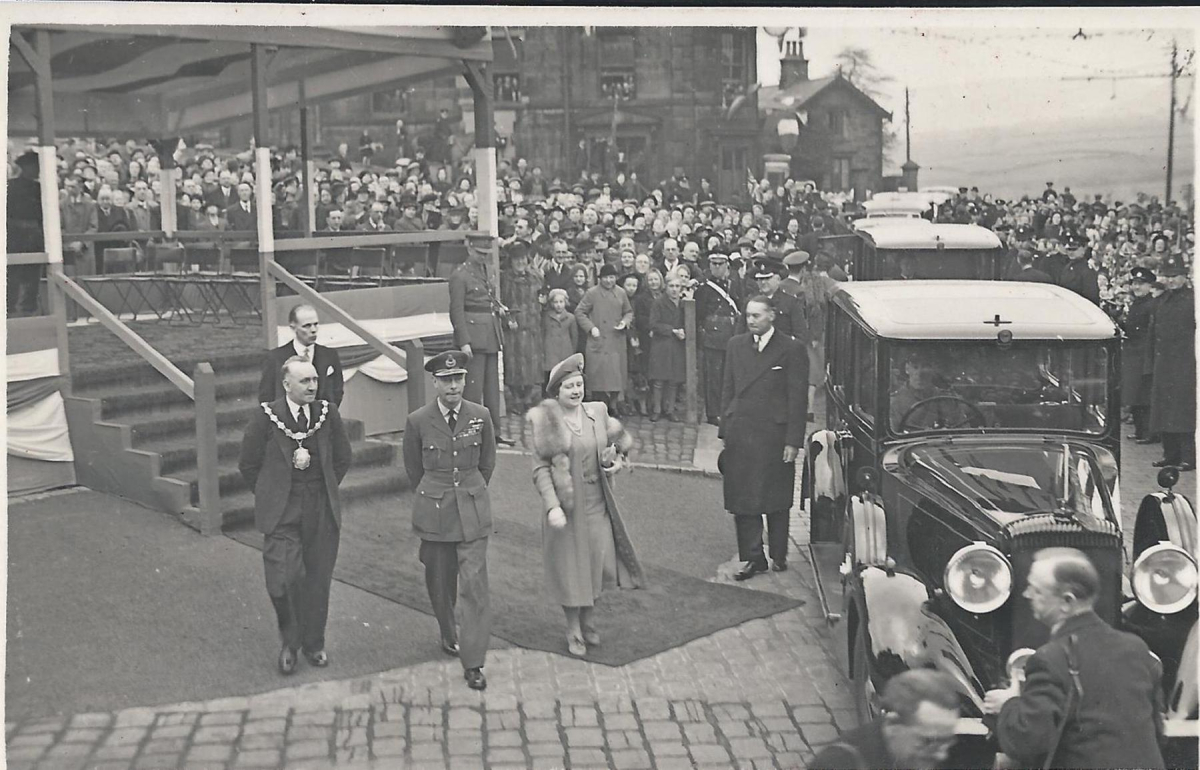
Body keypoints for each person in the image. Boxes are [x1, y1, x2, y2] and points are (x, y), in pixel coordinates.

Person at [983, 548, 1165, 769]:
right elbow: (1157, 733)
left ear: (1067, 601)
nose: (1027, 595)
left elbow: (1026, 743)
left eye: (1036, 590)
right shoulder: (1136, 648)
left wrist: (1009, 704)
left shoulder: (1050, 659)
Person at [237, 357, 353, 675]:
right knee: (283, 579)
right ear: (287, 384)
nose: (312, 386)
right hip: (283, 511)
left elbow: (343, 458)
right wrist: (271, 493)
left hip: (319, 508)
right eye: (305, 381)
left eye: (315, 380)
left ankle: (314, 644)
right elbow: (248, 463)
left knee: (317, 581)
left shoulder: (327, 414)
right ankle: (290, 641)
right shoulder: (266, 416)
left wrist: (322, 487)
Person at [526, 353, 644, 656]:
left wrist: (614, 463)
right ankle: (574, 628)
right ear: (557, 392)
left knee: (597, 563)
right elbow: (540, 469)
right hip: (567, 506)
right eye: (569, 387)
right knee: (570, 568)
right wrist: (552, 506)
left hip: (597, 501)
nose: (576, 391)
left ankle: (589, 616)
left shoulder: (598, 412)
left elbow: (619, 445)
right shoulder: (545, 422)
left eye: (579, 385)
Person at [401, 351, 497, 691]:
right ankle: (447, 629)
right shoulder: (418, 421)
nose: (453, 385)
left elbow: (487, 463)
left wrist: (470, 491)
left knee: (474, 587)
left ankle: (473, 662)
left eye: (458, 379)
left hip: (472, 510)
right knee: (439, 580)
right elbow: (414, 468)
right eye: (446, 380)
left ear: (465, 381)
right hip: (435, 510)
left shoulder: (480, 416)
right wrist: (433, 494)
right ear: (435, 382)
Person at [719, 296, 808, 580]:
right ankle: (753, 557)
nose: (751, 320)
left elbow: (797, 399)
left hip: (774, 435)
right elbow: (728, 388)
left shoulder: (791, 349)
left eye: (757, 315)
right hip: (742, 432)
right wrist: (725, 429)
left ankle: (778, 553)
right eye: (748, 316)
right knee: (743, 497)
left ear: (772, 315)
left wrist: (793, 441)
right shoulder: (736, 345)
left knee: (775, 497)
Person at [810, 669, 961, 770]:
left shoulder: (924, 759)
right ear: (893, 724)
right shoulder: (838, 763)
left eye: (946, 742)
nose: (942, 754)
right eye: (928, 741)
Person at [448, 234, 514, 444]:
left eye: (486, 253)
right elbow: (456, 311)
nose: (483, 257)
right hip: (474, 337)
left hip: (491, 334)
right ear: (469, 249)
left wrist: (499, 309)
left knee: (492, 389)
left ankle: (493, 432)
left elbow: (489, 300)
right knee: (473, 390)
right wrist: (464, 341)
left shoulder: (487, 271)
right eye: (479, 253)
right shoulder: (460, 275)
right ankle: (472, 432)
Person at [1148, 255, 1195, 471]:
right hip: (1164, 362)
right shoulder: (1163, 299)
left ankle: (1188, 456)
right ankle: (1170, 454)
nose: (1171, 280)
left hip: (1185, 363)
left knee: (1183, 410)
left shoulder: (1192, 300)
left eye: (1175, 276)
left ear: (1185, 277)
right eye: (1168, 276)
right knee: (1165, 409)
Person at [574, 263, 634, 412]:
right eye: (606, 278)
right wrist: (591, 327)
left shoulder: (621, 293)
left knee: (616, 376)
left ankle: (614, 405)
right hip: (599, 340)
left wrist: (624, 322)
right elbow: (579, 312)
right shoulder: (592, 293)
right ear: (600, 279)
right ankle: (599, 406)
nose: (609, 281)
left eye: (612, 277)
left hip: (615, 340)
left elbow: (628, 312)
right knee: (598, 376)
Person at [259, 304, 344, 406]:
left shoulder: (330, 355)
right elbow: (266, 395)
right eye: (307, 326)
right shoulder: (275, 357)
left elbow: (337, 390)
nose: (313, 330)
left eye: (315, 324)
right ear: (293, 328)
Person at [695, 252, 742, 426]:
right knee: (713, 378)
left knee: (727, 376)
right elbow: (699, 314)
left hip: (730, 334)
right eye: (713, 264)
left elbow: (739, 306)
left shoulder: (733, 285)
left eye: (720, 264)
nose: (716, 267)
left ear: (727, 266)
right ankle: (713, 412)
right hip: (712, 338)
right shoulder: (704, 288)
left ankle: (726, 409)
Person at [499, 243, 545, 412]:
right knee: (514, 364)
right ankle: (517, 398)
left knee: (532, 364)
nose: (520, 262)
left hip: (532, 327)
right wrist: (507, 320)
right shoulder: (505, 280)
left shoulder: (536, 278)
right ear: (511, 261)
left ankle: (528, 397)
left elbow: (543, 296)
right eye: (516, 259)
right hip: (513, 329)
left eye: (522, 259)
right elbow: (500, 303)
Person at [1122, 267, 1157, 443]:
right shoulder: (1137, 303)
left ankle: (1148, 432)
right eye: (1135, 283)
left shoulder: (1151, 305)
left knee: (1144, 395)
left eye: (1141, 284)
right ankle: (1140, 430)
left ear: (1150, 286)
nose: (1137, 287)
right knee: (1134, 394)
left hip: (1143, 353)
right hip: (1133, 353)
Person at [8, 150, 44, 316]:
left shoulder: (40, 188)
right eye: (34, 165)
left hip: (34, 237)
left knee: (32, 278)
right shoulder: (11, 186)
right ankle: (10, 311)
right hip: (15, 238)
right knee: (13, 277)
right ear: (25, 167)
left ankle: (28, 310)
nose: (37, 169)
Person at [647, 273, 687, 422]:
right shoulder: (659, 303)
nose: (674, 290)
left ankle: (669, 409)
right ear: (666, 287)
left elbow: (688, 321)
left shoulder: (684, 304)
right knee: (659, 379)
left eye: (677, 286)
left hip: (677, 345)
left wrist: (684, 331)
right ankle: (657, 409)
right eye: (671, 286)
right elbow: (653, 324)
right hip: (661, 344)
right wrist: (672, 330)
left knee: (673, 379)